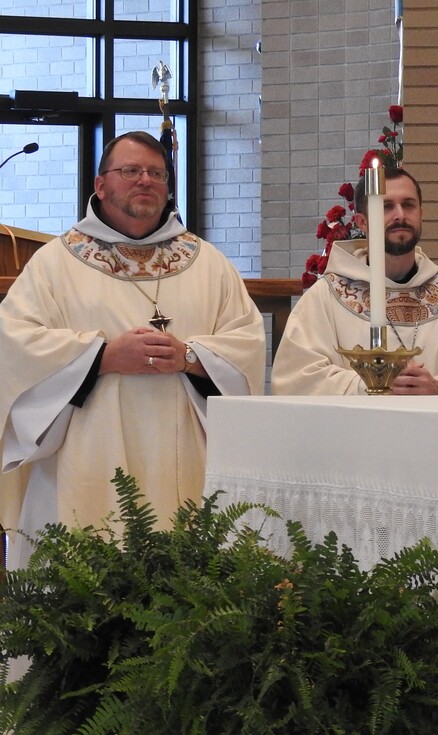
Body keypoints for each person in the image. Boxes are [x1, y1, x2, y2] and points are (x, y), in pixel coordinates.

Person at [0, 131, 264, 566]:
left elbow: (247, 344)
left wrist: (190, 356)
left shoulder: (208, 263)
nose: (145, 180)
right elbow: (14, 346)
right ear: (100, 185)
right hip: (84, 463)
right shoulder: (55, 263)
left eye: (156, 173)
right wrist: (101, 358)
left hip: (187, 459)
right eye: (130, 171)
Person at [272, 167, 438, 396]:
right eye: (386, 206)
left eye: (408, 205)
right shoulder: (325, 298)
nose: (400, 215)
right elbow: (296, 379)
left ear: (421, 214)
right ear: (361, 222)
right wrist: (374, 385)